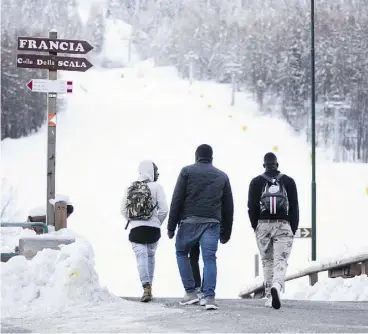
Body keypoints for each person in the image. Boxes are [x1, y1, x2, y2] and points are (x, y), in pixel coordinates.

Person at [167, 144, 234, 310]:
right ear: (211, 157)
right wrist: (227, 231)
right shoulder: (222, 176)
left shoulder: (187, 171)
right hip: (212, 223)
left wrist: (171, 226)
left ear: (196, 156)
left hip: (189, 222)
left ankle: (190, 292)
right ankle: (209, 297)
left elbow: (177, 199)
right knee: (209, 259)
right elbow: (228, 207)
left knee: (181, 252)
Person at [247, 152, 299, 309]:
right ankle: (277, 285)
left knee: (267, 260)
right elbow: (295, 207)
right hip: (283, 224)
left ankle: (269, 296)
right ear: (277, 164)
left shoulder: (255, 182)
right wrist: (293, 227)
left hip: (262, 225)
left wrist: (255, 226)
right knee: (280, 260)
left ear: (264, 165)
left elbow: (251, 207)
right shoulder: (289, 181)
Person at [121, 160, 168, 302]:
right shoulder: (157, 187)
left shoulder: (131, 187)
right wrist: (156, 222)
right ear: (151, 171)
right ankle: (150, 287)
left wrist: (135, 220)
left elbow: (123, 210)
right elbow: (164, 210)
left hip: (136, 229)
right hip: (153, 230)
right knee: (150, 256)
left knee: (141, 257)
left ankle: (146, 288)